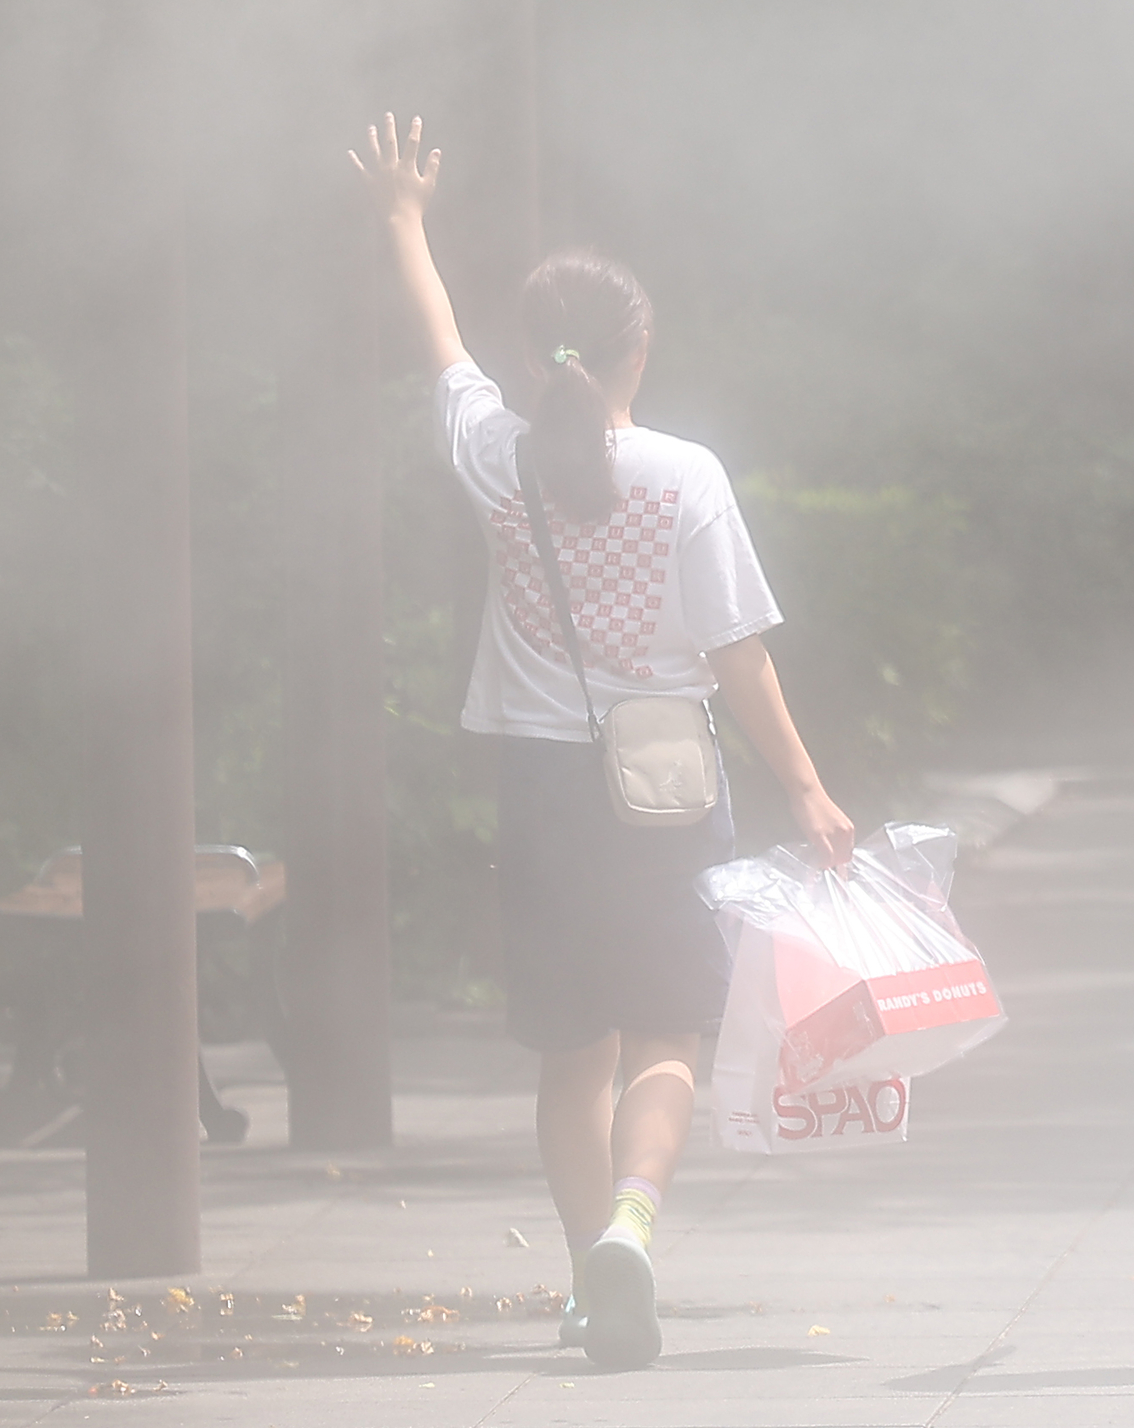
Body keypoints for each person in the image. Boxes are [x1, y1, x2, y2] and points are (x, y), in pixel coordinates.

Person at [351, 114, 858, 1373]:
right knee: (667, 1038)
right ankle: (636, 1226)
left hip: (540, 786)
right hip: (670, 787)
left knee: (568, 1051)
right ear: (640, 350)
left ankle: (589, 1278)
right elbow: (738, 653)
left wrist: (405, 215)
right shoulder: (688, 474)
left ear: (539, 355)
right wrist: (806, 788)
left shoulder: (492, 454)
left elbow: (440, 341)